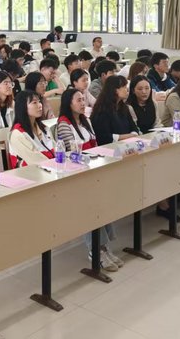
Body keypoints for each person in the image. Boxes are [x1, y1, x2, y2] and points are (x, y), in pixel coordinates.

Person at [56, 88, 123, 272]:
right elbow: (72, 152)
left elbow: (95, 145)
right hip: (74, 176)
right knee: (90, 205)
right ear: (68, 103)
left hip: (91, 171)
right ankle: (96, 250)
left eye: (83, 99)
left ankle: (104, 247)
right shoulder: (64, 124)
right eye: (78, 100)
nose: (82, 103)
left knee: (103, 200)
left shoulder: (86, 121)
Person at [8, 90, 53, 168]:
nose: (40, 105)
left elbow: (57, 150)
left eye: (39, 101)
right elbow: (36, 160)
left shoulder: (44, 128)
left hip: (50, 169)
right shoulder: (17, 134)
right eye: (34, 102)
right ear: (23, 107)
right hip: (31, 172)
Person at [90, 76, 139, 146]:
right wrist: (130, 136)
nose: (127, 90)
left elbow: (134, 127)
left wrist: (133, 134)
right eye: (124, 87)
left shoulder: (124, 107)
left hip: (127, 145)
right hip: (110, 147)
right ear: (115, 90)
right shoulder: (102, 110)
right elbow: (104, 137)